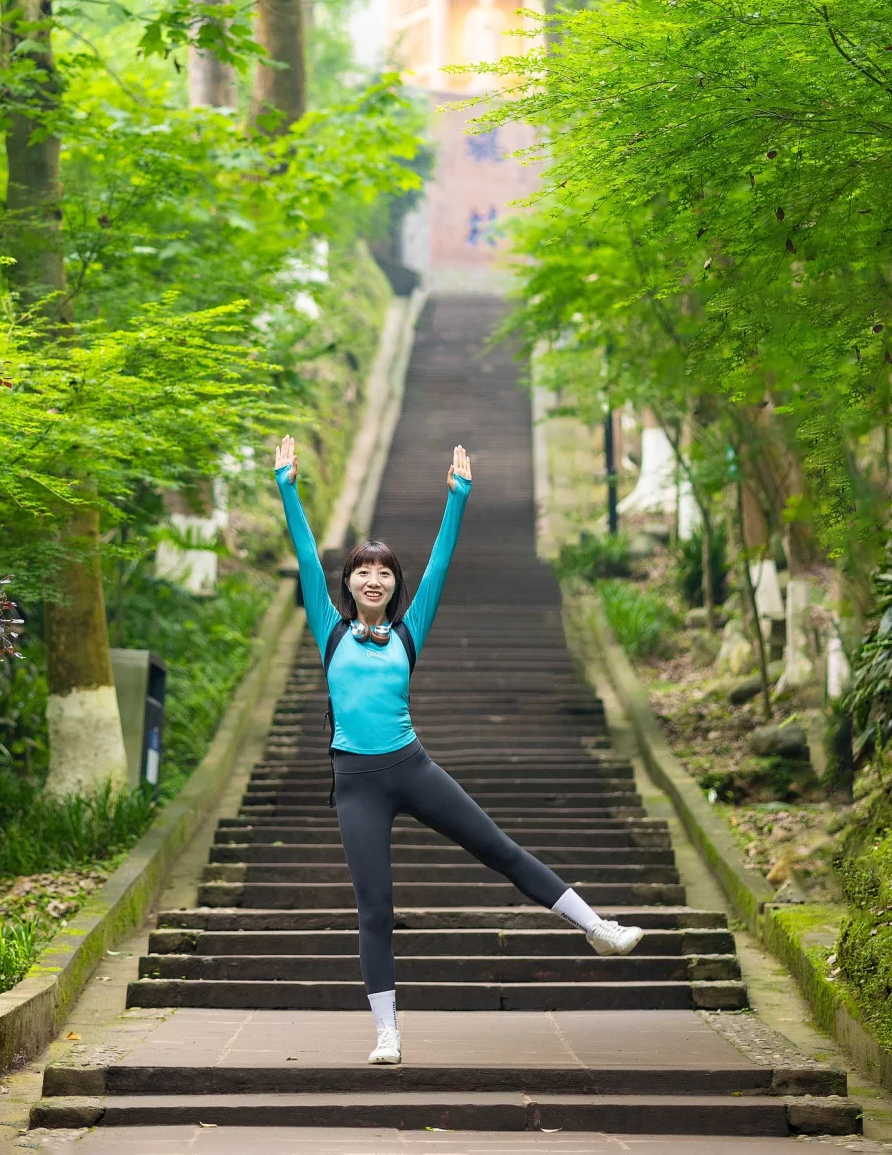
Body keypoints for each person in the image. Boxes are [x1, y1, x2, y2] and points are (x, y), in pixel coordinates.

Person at [273, 435, 644, 1066]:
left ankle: (597, 928)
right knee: (376, 907)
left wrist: (459, 498)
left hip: (411, 767)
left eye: (383, 570)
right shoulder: (328, 629)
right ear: (347, 583)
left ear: (395, 584)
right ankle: (387, 1031)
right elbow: (307, 555)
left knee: (499, 848)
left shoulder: (408, 632)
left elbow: (441, 563)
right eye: (361, 569)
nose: (372, 577)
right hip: (356, 783)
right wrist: (287, 487)